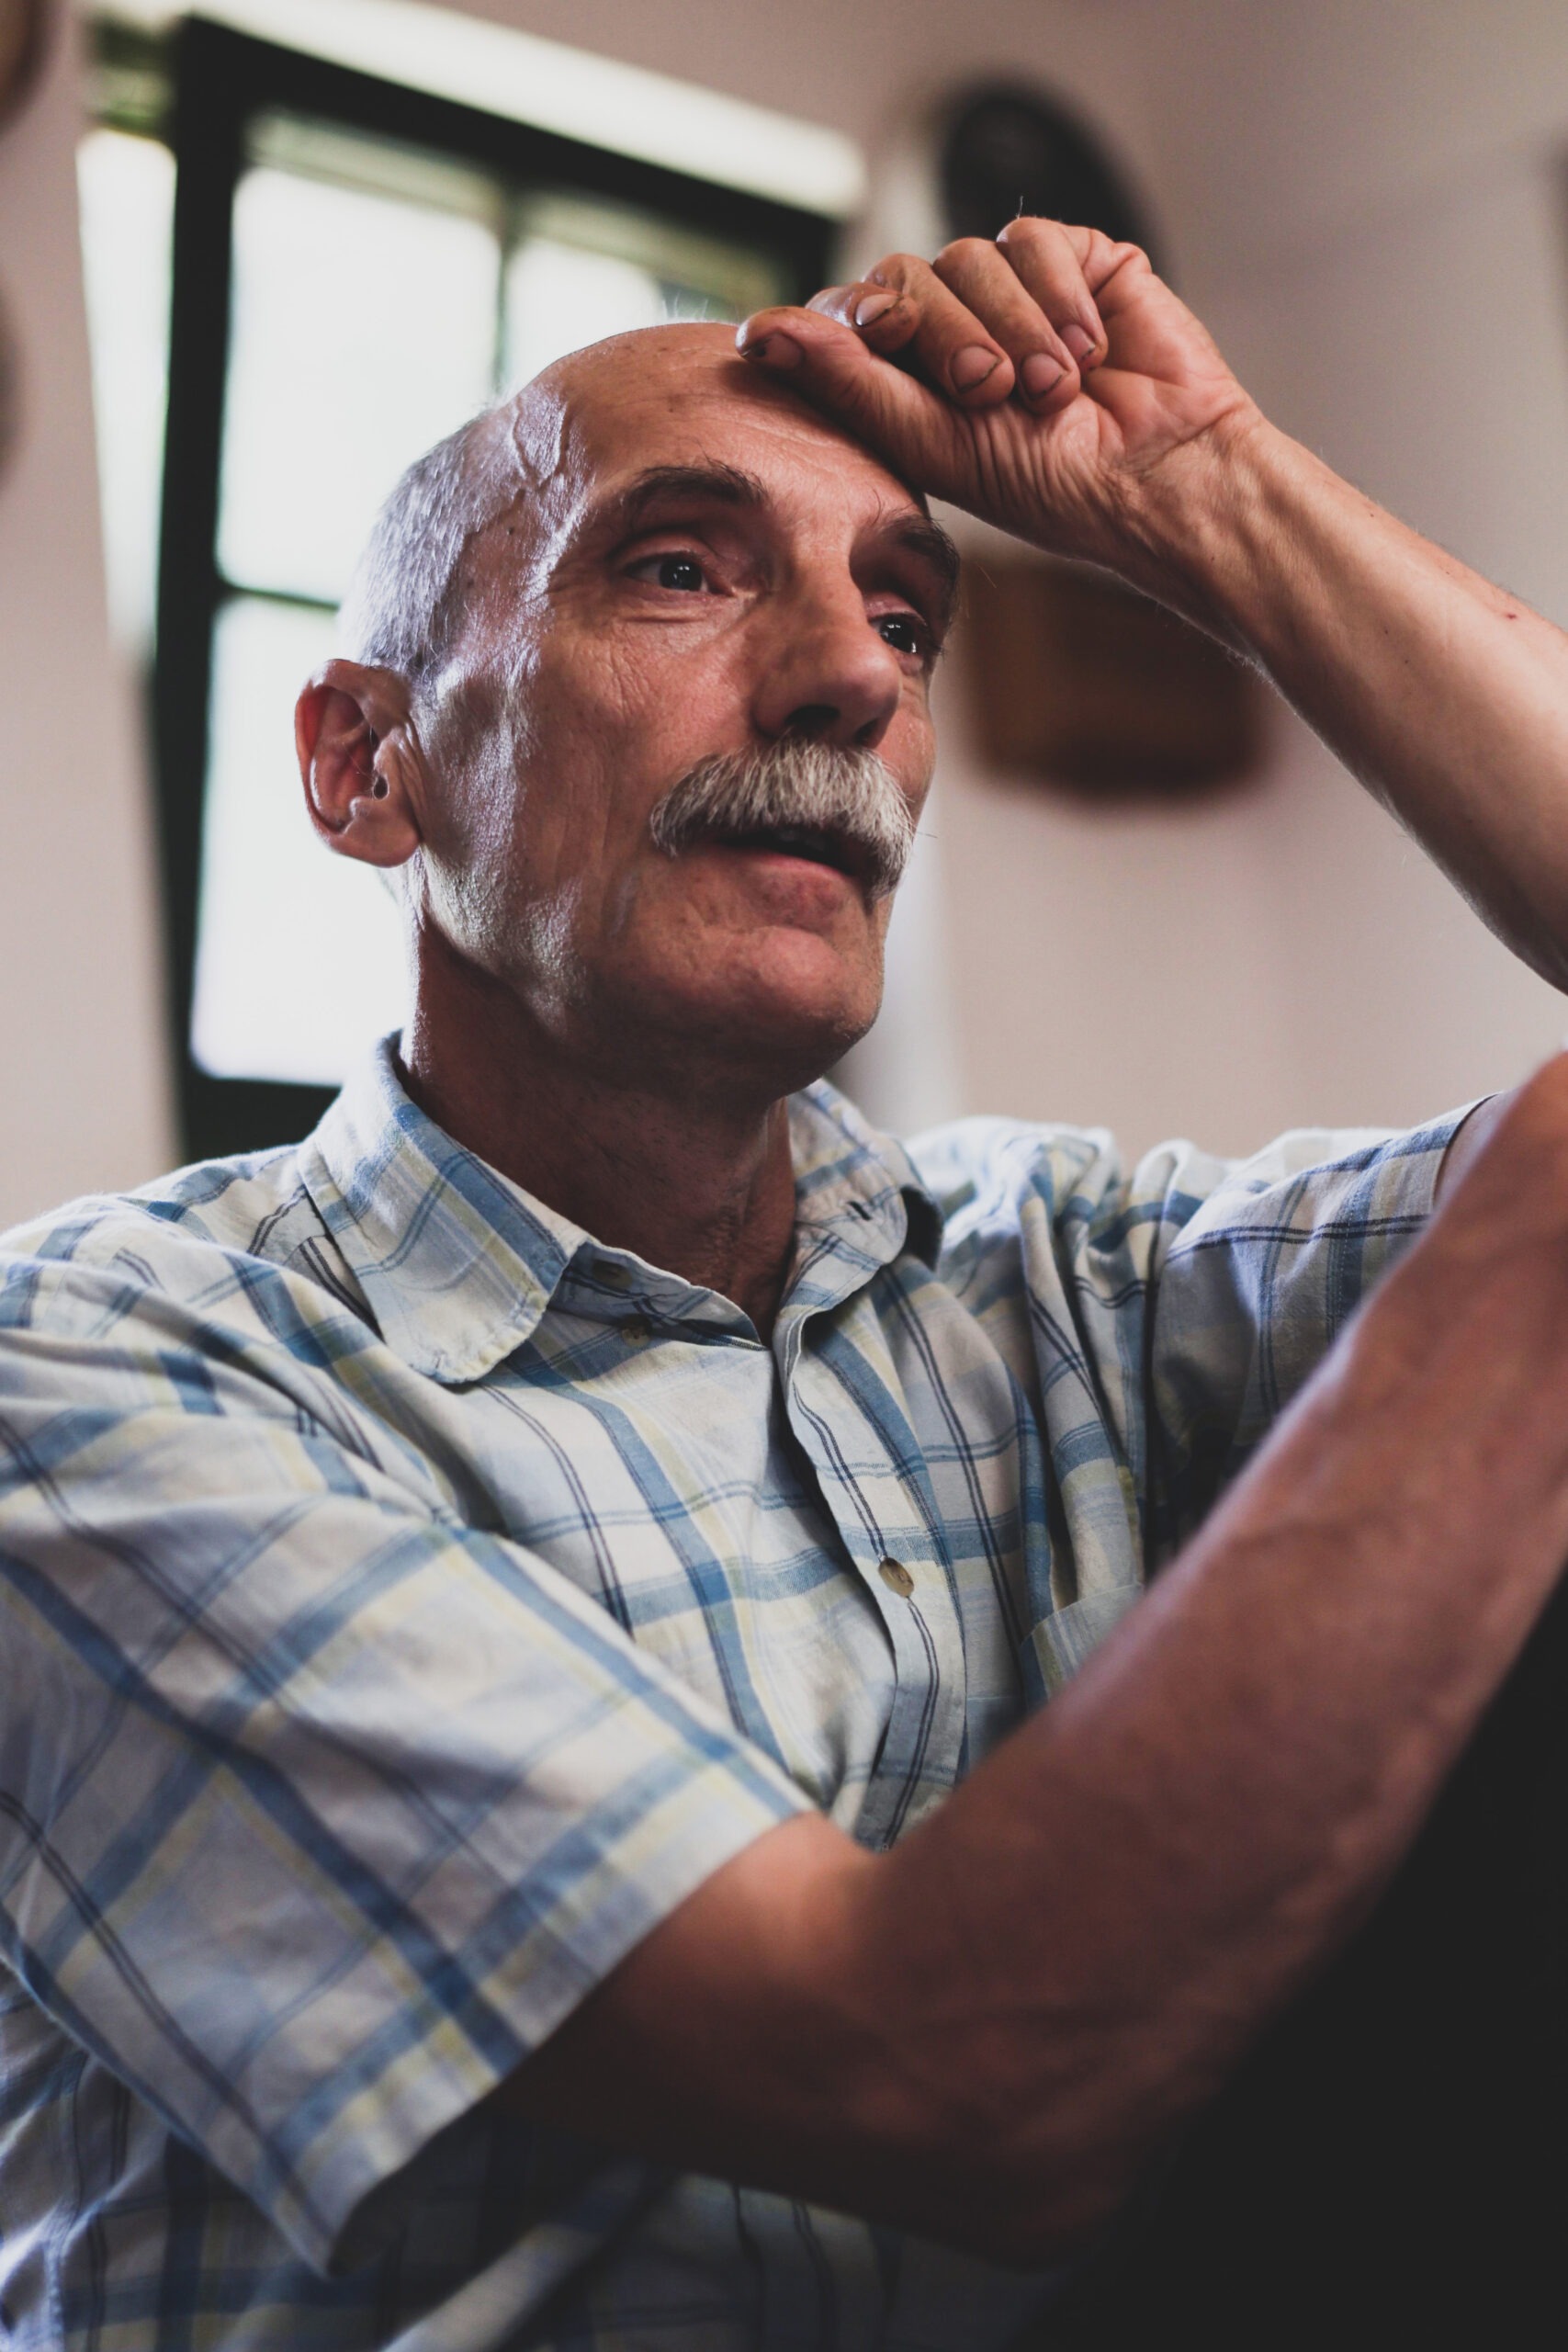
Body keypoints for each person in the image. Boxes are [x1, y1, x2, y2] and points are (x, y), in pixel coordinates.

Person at [2, 216, 1567, 2351]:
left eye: (904, 620)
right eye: (679, 567)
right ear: (368, 764)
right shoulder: (102, 1374)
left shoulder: (1063, 1270)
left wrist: (1210, 490)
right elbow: (930, 2068)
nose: (850, 679)